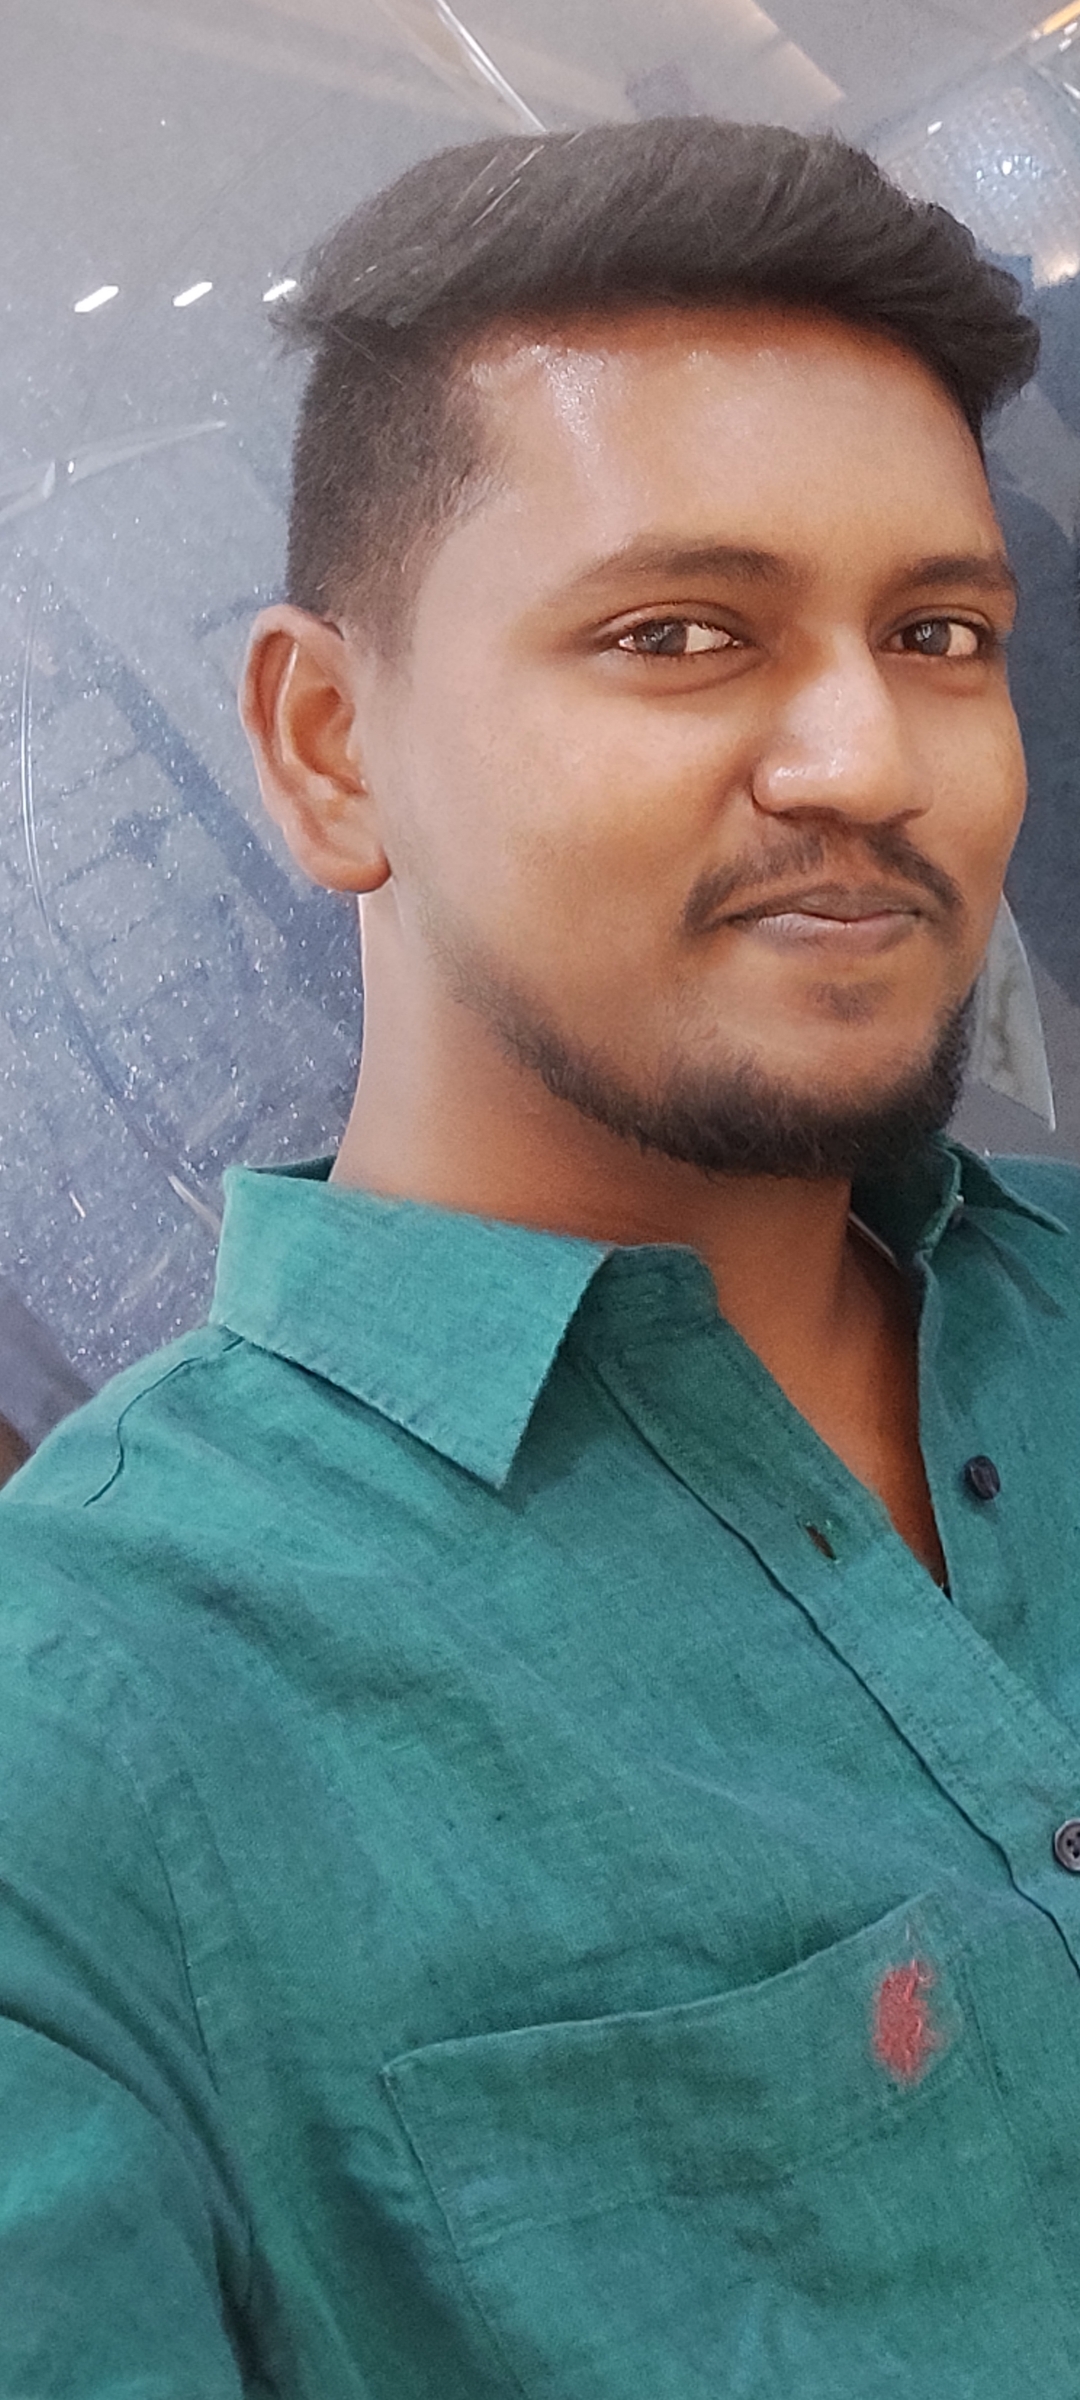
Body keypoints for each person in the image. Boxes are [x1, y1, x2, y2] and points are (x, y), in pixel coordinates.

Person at [2, 115, 1079, 2398]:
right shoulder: (87, 1744)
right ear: (327, 747)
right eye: (678, 633)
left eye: (941, 634)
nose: (869, 757)